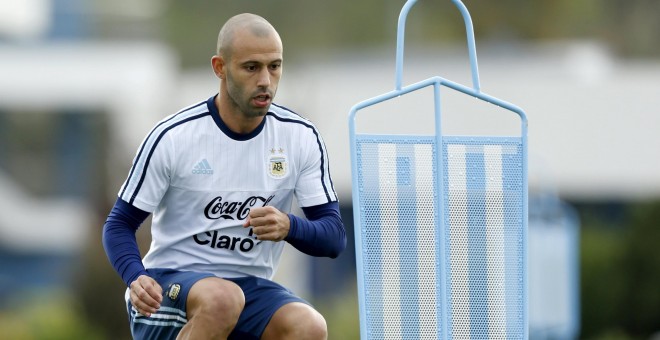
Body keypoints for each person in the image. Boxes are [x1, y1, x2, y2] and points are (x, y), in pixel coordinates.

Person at [102, 13, 346, 340]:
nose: (265, 80)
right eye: (251, 67)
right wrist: (135, 276)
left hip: (249, 290)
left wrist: (289, 226)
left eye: (274, 66)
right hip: (169, 285)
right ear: (220, 67)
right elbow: (118, 224)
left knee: (309, 326)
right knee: (223, 299)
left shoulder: (300, 137)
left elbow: (333, 237)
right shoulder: (174, 137)